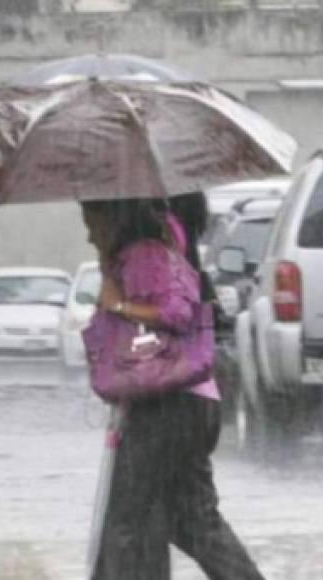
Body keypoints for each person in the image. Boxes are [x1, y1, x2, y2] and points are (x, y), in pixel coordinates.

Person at [82, 196, 265, 579]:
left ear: (114, 218)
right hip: (191, 403)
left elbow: (177, 313)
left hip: (166, 406)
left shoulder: (144, 253)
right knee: (190, 520)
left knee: (127, 520)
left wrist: (119, 306)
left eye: (92, 220)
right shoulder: (158, 246)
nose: (88, 233)